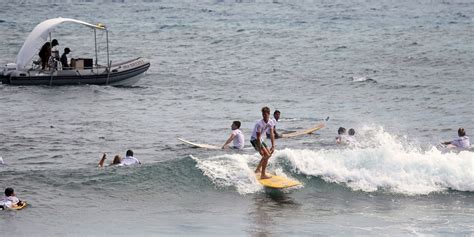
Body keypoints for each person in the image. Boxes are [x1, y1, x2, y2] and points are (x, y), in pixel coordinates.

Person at [251, 106, 275, 179]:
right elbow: (257, 137)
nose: (264, 116)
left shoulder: (271, 122)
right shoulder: (259, 124)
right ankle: (263, 174)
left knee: (268, 154)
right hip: (254, 139)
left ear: (269, 114)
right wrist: (259, 149)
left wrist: (273, 145)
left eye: (265, 114)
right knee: (266, 155)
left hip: (260, 139)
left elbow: (271, 134)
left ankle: (258, 169)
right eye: (263, 114)